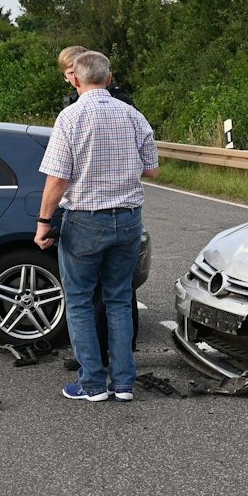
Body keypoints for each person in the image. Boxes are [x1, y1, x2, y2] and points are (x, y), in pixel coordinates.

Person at [36, 50, 158, 401]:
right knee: (119, 298)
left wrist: (44, 222)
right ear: (108, 77)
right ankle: (123, 384)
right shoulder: (133, 115)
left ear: (76, 79)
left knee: (79, 301)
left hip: (86, 220)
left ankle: (92, 384)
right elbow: (151, 169)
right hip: (129, 219)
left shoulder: (70, 118)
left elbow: (58, 179)